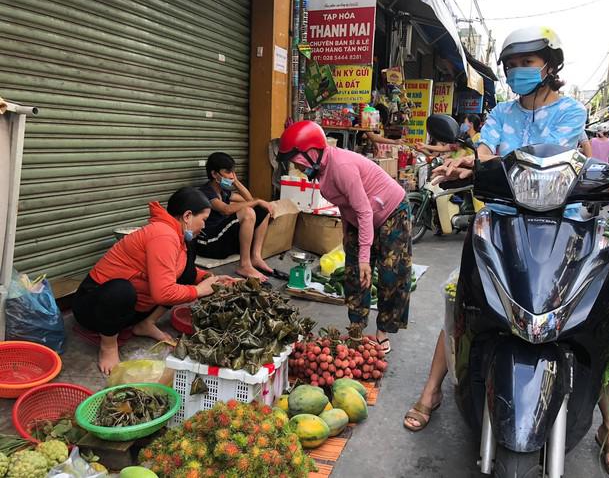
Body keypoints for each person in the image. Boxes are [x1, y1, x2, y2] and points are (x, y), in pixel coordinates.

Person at [409, 26, 609, 478]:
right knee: (463, 302)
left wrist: (486, 161)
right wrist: (474, 160)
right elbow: (488, 149)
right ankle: (431, 391)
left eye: (526, 63)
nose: (516, 72)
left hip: (565, 229)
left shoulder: (572, 111)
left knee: (596, 319)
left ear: (550, 65)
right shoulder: (501, 112)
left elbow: (550, 155)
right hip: (502, 223)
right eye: (511, 65)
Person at [277, 120, 412, 353]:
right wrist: (347, 235)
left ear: (311, 151)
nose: (296, 167)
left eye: (295, 160)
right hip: (360, 217)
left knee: (392, 275)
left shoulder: (341, 166)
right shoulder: (321, 169)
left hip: (392, 211)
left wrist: (364, 257)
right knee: (354, 275)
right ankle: (357, 329)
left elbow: (363, 210)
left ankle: (382, 332)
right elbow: (345, 204)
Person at [73, 187, 234, 375]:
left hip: (130, 309)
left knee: (187, 274)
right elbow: (162, 292)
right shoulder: (162, 235)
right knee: (121, 291)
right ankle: (108, 346)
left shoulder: (179, 236)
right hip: (95, 307)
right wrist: (198, 291)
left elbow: (178, 269)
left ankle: (145, 324)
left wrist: (209, 279)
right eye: (204, 220)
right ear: (188, 216)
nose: (204, 226)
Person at [196, 152, 276, 283]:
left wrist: (236, 182)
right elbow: (225, 210)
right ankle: (244, 265)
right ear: (215, 174)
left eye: (233, 172)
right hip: (209, 243)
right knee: (248, 212)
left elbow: (249, 199)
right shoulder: (205, 192)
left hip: (222, 238)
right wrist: (257, 201)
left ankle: (255, 257)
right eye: (228, 172)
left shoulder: (224, 192)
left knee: (262, 210)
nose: (232, 175)